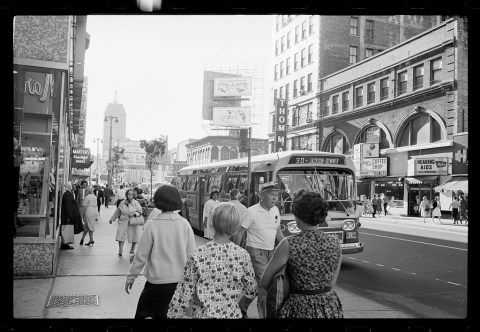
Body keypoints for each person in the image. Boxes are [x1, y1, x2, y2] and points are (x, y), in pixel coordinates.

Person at [260, 189, 343, 318]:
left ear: (298, 216)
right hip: (329, 305)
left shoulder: (288, 244)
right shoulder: (335, 243)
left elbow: (265, 281)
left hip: (299, 306)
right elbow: (332, 283)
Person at [167, 202, 258, 318]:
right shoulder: (243, 255)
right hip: (232, 315)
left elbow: (183, 293)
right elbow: (251, 290)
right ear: (236, 229)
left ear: (211, 224)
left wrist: (174, 314)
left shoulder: (197, 255)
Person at [125, 184, 196, 319]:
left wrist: (131, 276)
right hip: (178, 285)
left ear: (157, 201)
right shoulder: (184, 224)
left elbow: (141, 256)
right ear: (177, 201)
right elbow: (192, 255)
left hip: (155, 285)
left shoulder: (152, 225)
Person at [234, 181, 284, 319]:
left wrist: (288, 247)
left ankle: (241, 308)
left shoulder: (275, 210)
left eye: (276, 195)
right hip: (255, 252)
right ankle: (265, 315)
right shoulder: (251, 211)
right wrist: (236, 254)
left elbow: (278, 232)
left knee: (255, 287)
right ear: (262, 196)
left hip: (271, 252)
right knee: (265, 286)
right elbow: (240, 233)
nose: (275, 198)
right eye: (272, 195)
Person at [109, 189, 143, 257]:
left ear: (133, 195)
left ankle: (133, 248)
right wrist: (112, 219)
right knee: (120, 234)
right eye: (128, 194)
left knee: (134, 235)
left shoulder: (136, 203)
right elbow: (118, 211)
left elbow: (140, 211)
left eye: (131, 194)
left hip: (133, 220)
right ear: (126, 195)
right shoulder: (122, 202)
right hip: (123, 220)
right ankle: (120, 250)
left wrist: (134, 213)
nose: (130, 195)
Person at [60, 182, 84, 250]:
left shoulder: (68, 194)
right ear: (70, 186)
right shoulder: (68, 194)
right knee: (67, 229)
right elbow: (68, 206)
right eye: (73, 185)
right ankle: (65, 244)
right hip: (67, 216)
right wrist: (70, 216)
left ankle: (65, 243)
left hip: (67, 216)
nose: (74, 187)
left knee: (67, 229)